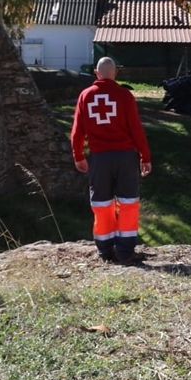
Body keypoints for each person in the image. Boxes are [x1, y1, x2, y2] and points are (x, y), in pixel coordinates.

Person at [71, 57, 152, 263]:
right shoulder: (124, 95)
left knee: (101, 204)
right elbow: (136, 128)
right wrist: (145, 156)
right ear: (115, 73)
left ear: (97, 73)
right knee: (128, 203)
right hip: (125, 157)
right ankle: (126, 252)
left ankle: (105, 252)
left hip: (99, 159)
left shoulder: (85, 96)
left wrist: (78, 155)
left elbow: (77, 130)